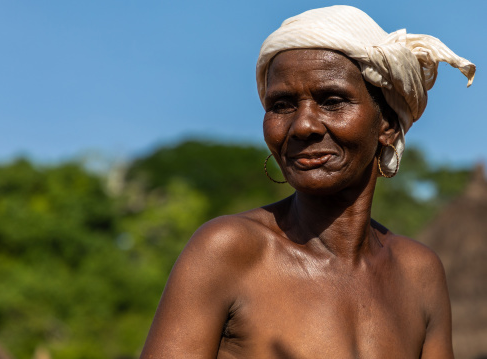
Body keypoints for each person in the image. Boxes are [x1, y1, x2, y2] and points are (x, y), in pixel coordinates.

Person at [140, 6, 475, 358]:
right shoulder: (229, 251)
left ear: (387, 125)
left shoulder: (418, 274)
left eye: (332, 101)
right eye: (282, 105)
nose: (303, 125)